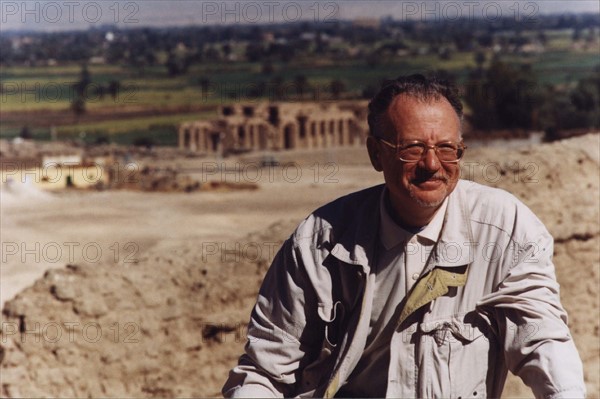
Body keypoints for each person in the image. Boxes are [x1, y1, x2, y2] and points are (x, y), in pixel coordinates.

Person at [222, 75, 586, 398]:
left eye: (446, 149)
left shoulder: (505, 230)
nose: (431, 165)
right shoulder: (320, 242)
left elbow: (542, 339)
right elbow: (266, 371)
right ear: (376, 153)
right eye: (412, 148)